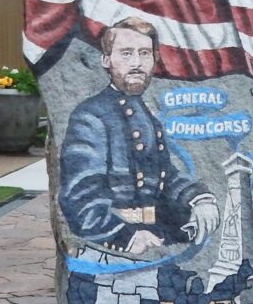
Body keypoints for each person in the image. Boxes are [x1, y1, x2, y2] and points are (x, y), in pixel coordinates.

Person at [59, 17, 219, 255]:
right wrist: (125, 237)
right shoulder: (90, 116)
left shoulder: (145, 115)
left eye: (144, 53)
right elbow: (81, 198)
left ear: (155, 59)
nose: (136, 63)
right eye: (126, 53)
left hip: (152, 236)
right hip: (109, 246)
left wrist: (199, 198)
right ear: (106, 60)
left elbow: (164, 176)